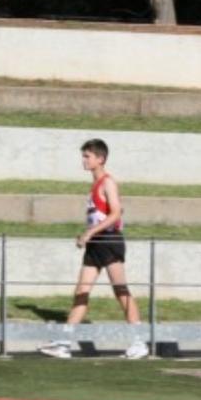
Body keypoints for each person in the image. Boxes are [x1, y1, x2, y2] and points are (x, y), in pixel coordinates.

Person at [38, 139, 148, 359]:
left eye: (88, 156)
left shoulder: (108, 182)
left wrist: (90, 233)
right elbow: (100, 215)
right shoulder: (95, 185)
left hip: (109, 241)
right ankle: (64, 343)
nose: (84, 160)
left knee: (121, 290)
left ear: (101, 159)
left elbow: (116, 213)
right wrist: (87, 233)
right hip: (96, 243)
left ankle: (139, 342)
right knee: (81, 291)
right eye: (84, 155)